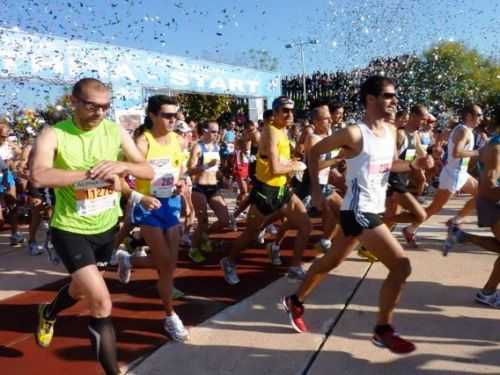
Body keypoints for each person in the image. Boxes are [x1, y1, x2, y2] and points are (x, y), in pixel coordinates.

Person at [282, 76, 433, 354]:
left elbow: (389, 165)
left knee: (330, 262)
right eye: (388, 96)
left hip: (370, 209)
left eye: (394, 95)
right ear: (370, 99)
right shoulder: (354, 133)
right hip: (359, 211)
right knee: (401, 266)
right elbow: (314, 152)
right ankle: (382, 329)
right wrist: (315, 190)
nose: (394, 101)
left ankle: (295, 299)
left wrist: (413, 164)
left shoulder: (390, 131)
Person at [32, 78, 153, 375]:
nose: (99, 113)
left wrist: (122, 166)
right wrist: (89, 174)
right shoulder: (54, 134)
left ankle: (48, 312)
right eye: (92, 106)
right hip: (70, 229)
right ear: (73, 102)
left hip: (105, 228)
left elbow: (147, 168)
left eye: (105, 107)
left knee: (78, 289)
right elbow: (39, 175)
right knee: (100, 301)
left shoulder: (115, 132)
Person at [115, 95, 189, 341]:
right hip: (148, 206)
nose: (172, 119)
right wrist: (140, 198)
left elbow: (179, 169)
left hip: (171, 204)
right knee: (166, 265)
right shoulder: (143, 142)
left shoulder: (178, 140)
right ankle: (170, 317)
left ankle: (129, 260)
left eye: (175, 115)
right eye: (167, 115)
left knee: (169, 266)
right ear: (153, 115)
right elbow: (123, 178)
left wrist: (180, 186)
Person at [220, 96, 311, 285]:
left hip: (282, 190)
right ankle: (228, 261)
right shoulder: (270, 132)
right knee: (251, 233)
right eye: (284, 110)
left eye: (291, 111)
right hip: (266, 191)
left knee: (305, 225)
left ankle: (294, 267)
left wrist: (292, 165)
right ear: (275, 113)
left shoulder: (282, 131)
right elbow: (276, 168)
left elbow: (281, 163)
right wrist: (297, 165)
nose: (289, 114)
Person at [443, 107, 500, 307]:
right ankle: (487, 293)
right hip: (492, 203)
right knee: (428, 210)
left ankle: (460, 236)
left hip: (492, 201)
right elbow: (487, 188)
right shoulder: (495, 148)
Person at [403, 104, 481, 242]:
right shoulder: (463, 131)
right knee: (435, 207)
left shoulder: (462, 129)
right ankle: (410, 229)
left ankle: (456, 220)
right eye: (479, 115)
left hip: (461, 173)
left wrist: (438, 147)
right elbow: (457, 153)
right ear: (469, 116)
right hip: (453, 175)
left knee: (482, 194)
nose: (482, 119)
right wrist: (479, 152)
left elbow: (443, 136)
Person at [187, 120, 231, 263]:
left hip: (214, 187)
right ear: (204, 131)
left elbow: (216, 169)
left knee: (225, 220)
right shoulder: (197, 147)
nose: (216, 134)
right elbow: (190, 170)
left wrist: (223, 179)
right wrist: (206, 165)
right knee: (202, 222)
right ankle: (193, 249)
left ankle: (204, 236)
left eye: (217, 131)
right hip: (199, 188)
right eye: (213, 131)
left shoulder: (216, 147)